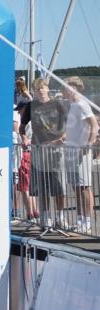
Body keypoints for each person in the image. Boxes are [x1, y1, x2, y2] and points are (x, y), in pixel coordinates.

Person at [20, 78, 69, 229]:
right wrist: (24, 138)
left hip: (56, 151)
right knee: (43, 187)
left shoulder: (59, 104)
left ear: (48, 88)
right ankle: (46, 218)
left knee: (59, 186)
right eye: (37, 89)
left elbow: (70, 124)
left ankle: (60, 218)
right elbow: (22, 126)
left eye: (43, 88)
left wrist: (63, 137)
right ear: (34, 91)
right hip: (38, 150)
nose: (40, 91)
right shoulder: (30, 106)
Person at [63, 76, 98, 233]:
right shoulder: (72, 105)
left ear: (73, 89)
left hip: (81, 152)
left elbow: (94, 125)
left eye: (65, 87)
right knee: (77, 188)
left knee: (84, 187)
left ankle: (87, 223)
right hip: (71, 151)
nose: (63, 90)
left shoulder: (82, 104)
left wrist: (88, 144)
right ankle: (79, 221)